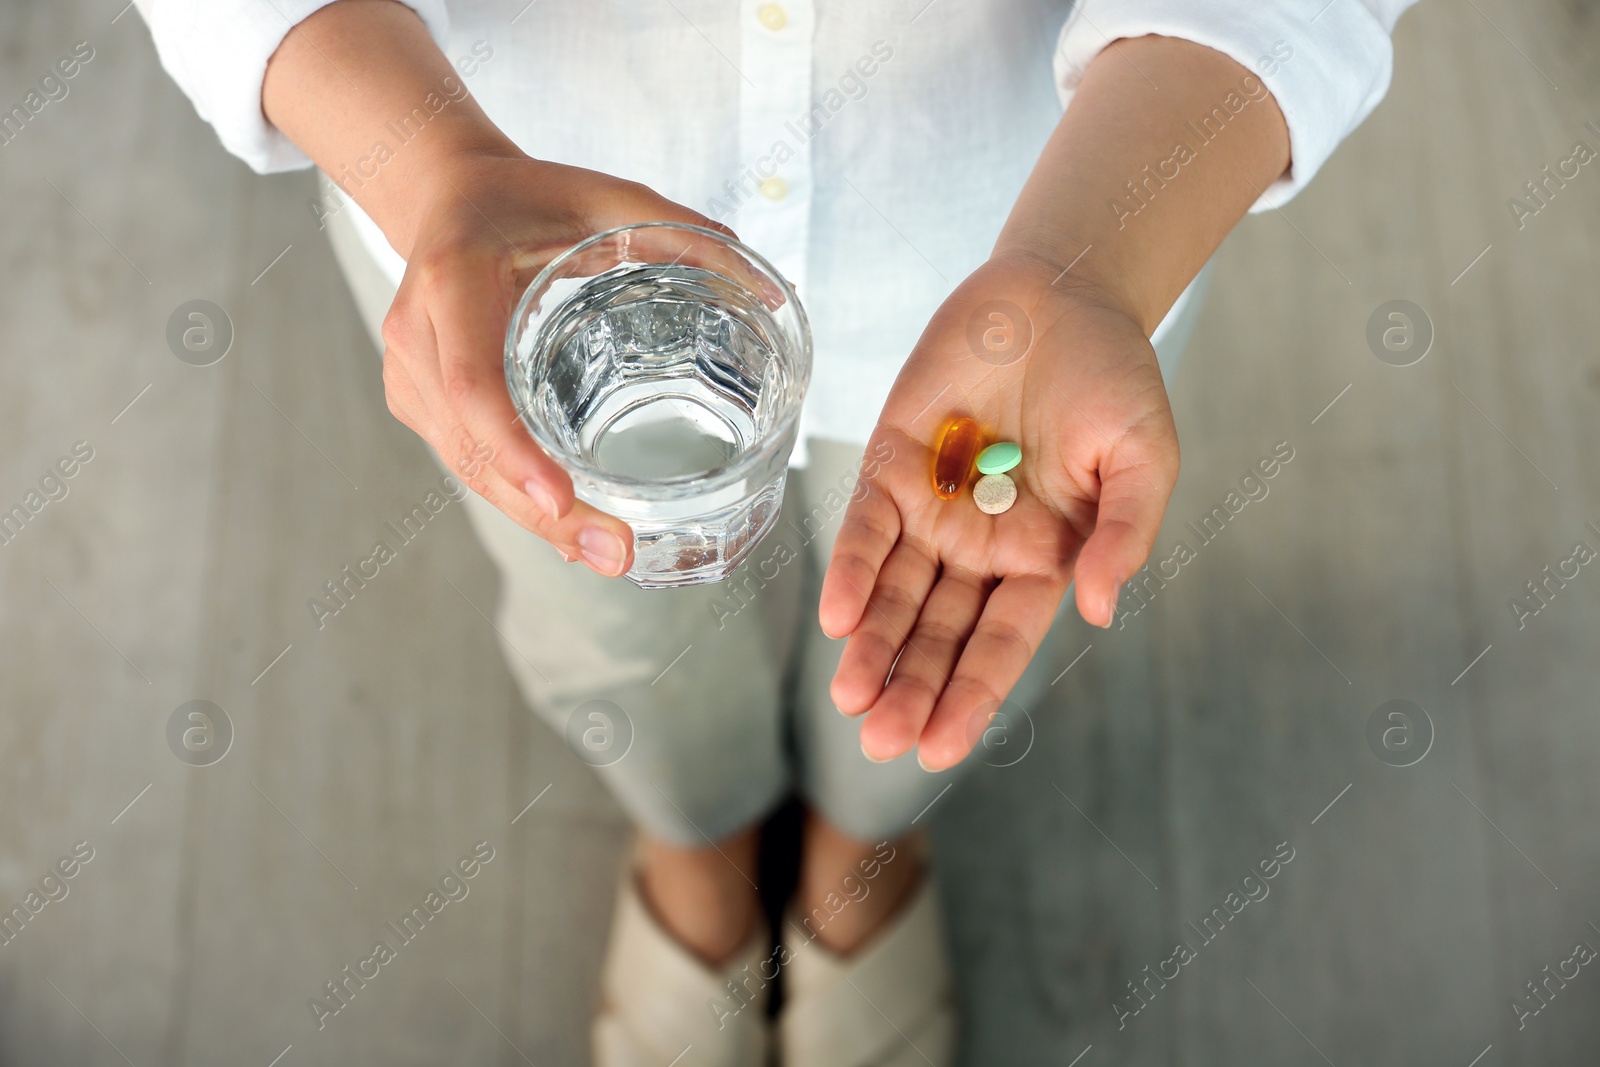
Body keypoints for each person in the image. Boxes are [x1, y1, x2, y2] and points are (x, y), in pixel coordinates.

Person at [136, 1, 1415, 1062]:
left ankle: (864, 846)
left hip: (1037, 217)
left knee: (955, 633)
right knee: (609, 626)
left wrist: (1083, 267)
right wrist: (436, 171)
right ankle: (695, 847)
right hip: (518, 251)